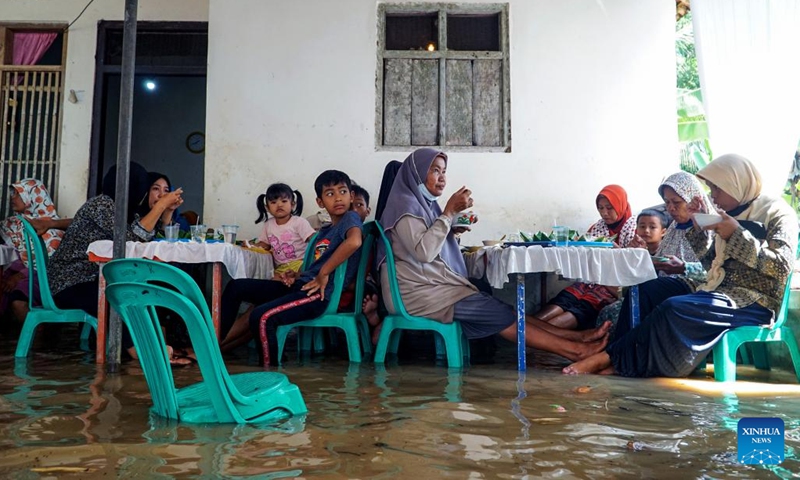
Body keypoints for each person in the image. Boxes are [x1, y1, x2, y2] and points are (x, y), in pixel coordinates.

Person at [564, 154, 797, 377]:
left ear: (736, 184)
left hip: (753, 299)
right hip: (714, 285)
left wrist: (736, 233)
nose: (712, 195)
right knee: (643, 291)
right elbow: (709, 264)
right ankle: (620, 356)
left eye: (717, 188)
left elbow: (780, 268)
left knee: (673, 307)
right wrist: (699, 227)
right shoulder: (723, 214)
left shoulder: (777, 214)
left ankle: (611, 359)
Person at [378, 148, 611, 363]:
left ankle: (576, 338)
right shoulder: (406, 208)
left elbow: (428, 248)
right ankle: (575, 350)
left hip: (431, 287)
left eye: (444, 171)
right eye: (434, 170)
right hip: (416, 294)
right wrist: (449, 213)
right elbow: (425, 252)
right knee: (497, 312)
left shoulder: (424, 206)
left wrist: (451, 231)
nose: (442, 178)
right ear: (417, 173)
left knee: (501, 308)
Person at [220, 170, 363, 365]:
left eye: (343, 191)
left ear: (351, 196)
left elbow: (354, 242)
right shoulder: (326, 230)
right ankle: (213, 344)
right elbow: (317, 265)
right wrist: (297, 274)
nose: (338, 198)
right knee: (236, 287)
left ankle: (269, 373)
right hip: (302, 284)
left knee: (261, 318)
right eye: (330, 194)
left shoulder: (350, 218)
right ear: (320, 202)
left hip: (318, 294)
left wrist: (324, 273)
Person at [48, 163, 185, 360]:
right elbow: (130, 239)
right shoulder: (102, 205)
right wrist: (162, 205)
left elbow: (150, 239)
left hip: (96, 278)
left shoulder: (128, 210)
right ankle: (140, 353)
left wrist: (165, 213)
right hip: (70, 281)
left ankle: (152, 347)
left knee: (141, 292)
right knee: (121, 298)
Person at [532, 185, 638, 330]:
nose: (604, 213)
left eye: (609, 207)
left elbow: (633, 266)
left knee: (583, 307)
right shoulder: (597, 228)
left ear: (620, 204)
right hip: (590, 280)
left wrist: (613, 249)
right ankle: (526, 329)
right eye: (600, 208)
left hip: (613, 287)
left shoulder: (636, 228)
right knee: (566, 299)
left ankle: (534, 335)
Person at [0, 179, 70, 323]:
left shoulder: (52, 230)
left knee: (18, 301)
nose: (13, 197)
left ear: (32, 197)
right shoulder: (13, 224)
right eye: (13, 193)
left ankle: (35, 339)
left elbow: (48, 265)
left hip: (44, 278)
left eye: (19, 194)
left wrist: (19, 276)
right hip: (19, 274)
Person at [254, 183, 315, 276]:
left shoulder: (299, 222)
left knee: (302, 273)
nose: (279, 205)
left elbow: (313, 239)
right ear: (267, 208)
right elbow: (265, 244)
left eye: (284, 201)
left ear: (292, 204)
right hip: (280, 267)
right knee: (269, 278)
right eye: (273, 202)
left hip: (300, 263)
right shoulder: (268, 225)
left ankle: (295, 278)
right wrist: (250, 245)